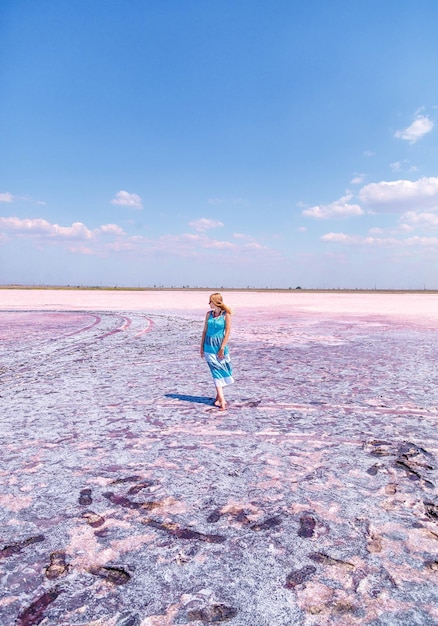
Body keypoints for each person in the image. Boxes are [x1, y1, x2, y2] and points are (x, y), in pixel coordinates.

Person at [200, 292, 234, 410]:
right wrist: (201, 347)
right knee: (215, 371)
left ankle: (218, 397)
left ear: (216, 302)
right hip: (208, 346)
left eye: (210, 301)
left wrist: (222, 348)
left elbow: (228, 331)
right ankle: (222, 400)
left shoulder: (226, 315)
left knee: (222, 370)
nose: (209, 303)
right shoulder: (208, 314)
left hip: (220, 346)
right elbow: (204, 331)